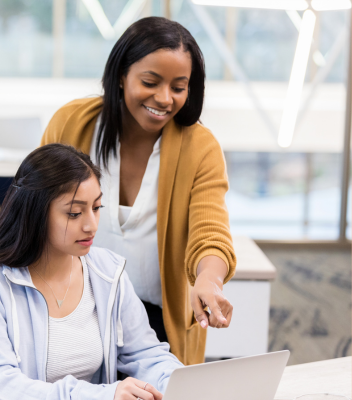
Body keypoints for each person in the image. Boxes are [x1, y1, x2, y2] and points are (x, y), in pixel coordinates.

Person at [40, 17, 237, 365]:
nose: (164, 98)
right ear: (121, 75)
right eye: (150, 82)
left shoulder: (200, 148)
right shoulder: (71, 124)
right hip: (71, 312)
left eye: (179, 87)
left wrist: (209, 279)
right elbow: (27, 213)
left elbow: (211, 232)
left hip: (158, 323)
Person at [0, 143, 183, 400]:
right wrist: (103, 395)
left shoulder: (108, 271)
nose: (91, 225)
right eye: (74, 213)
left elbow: (146, 355)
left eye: (96, 208)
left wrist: (182, 384)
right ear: (35, 212)